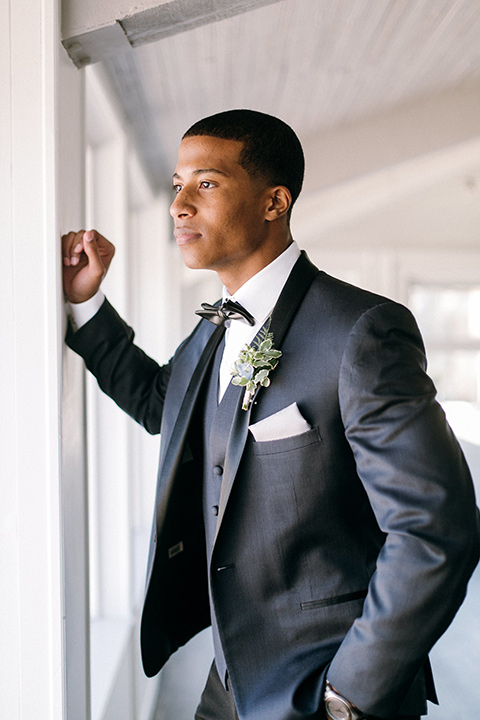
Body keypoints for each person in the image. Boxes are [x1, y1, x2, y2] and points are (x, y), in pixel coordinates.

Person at [62, 109, 480, 720]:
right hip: (227, 680)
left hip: (325, 690)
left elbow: (436, 526)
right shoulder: (211, 333)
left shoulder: (360, 331)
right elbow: (162, 405)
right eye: (177, 185)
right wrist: (87, 303)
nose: (179, 204)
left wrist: (348, 697)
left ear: (273, 202)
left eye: (205, 184)